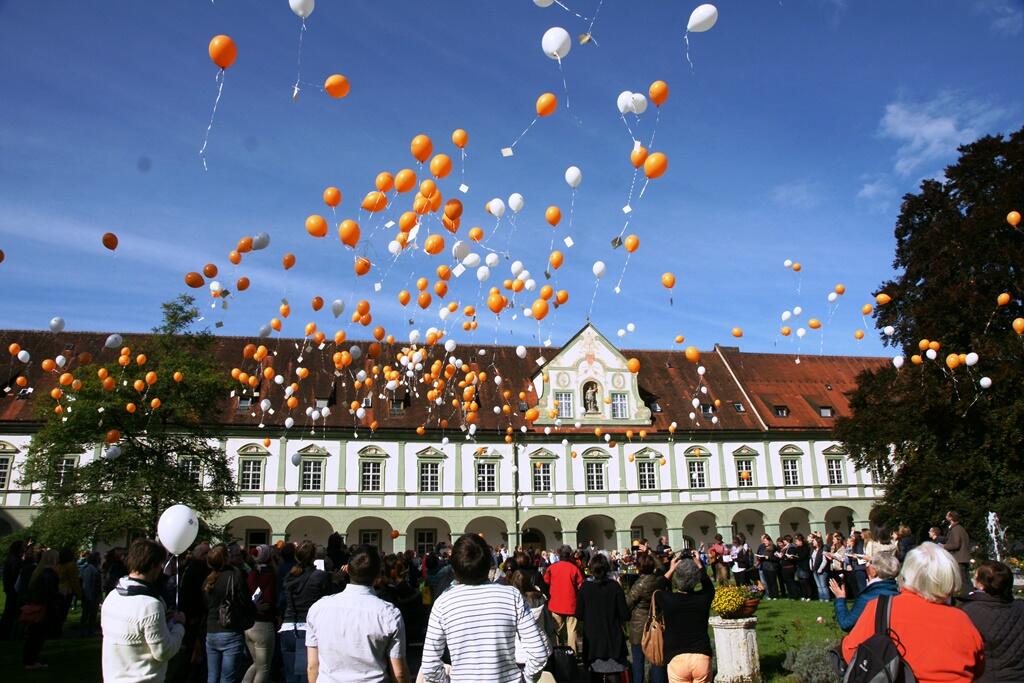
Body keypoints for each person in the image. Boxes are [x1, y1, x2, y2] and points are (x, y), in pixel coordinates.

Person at [841, 543, 983, 682]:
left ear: (907, 572)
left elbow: (850, 653)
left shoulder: (880, 608)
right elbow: (978, 666)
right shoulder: (961, 619)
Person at [421, 533, 550, 683]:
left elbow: (429, 666)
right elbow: (539, 654)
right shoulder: (512, 595)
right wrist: (526, 679)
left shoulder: (443, 602)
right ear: (489, 563)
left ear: (454, 568)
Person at [305, 544, 409, 683]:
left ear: (347, 570)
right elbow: (399, 673)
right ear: (378, 575)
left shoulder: (318, 608)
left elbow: (312, 667)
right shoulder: (389, 614)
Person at [101, 539, 186, 682]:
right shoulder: (150, 605)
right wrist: (179, 626)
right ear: (154, 565)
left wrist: (163, 622)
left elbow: (132, 630)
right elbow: (163, 652)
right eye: (160, 565)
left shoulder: (112, 596)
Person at [960, 560, 1024, 682]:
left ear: (981, 585)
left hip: (988, 677)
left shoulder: (969, 612)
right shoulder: (1020, 607)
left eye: (976, 577)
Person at [280, 541, 333, 683]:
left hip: (288, 627)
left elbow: (281, 602)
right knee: (307, 675)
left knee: (291, 676)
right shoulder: (319, 576)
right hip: (308, 628)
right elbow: (330, 598)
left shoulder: (290, 576)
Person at [659, 551, 715, 683]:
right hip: (701, 655)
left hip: (676, 657)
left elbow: (658, 588)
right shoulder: (703, 598)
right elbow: (709, 587)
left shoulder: (669, 600)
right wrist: (699, 565)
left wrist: (671, 569)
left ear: (676, 579)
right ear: (696, 579)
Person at [576, 554, 630, 680]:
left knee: (595, 675)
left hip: (593, 639)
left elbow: (579, 614)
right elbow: (625, 614)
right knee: (614, 674)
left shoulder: (585, 588)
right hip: (612, 637)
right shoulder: (614, 587)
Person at [829, 552, 899, 632]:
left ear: (874, 571)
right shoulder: (897, 594)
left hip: (872, 641)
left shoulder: (868, 597)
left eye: (869, 563)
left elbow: (846, 624)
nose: (867, 566)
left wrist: (840, 600)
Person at [625, 552, 668, 683]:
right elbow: (662, 568)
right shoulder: (659, 580)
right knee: (656, 659)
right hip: (655, 623)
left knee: (638, 663)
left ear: (639, 568)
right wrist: (652, 555)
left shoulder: (639, 585)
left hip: (639, 627)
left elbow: (627, 605)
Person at [21, 548, 62, 670]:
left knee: (33, 635)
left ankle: (30, 659)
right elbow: (50, 593)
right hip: (44, 608)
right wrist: (59, 596)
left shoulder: (38, 572)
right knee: (37, 636)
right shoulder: (50, 574)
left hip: (37, 605)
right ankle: (31, 661)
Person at [242, 545, 276, 683]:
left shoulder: (251, 574)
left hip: (249, 624)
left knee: (256, 664)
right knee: (264, 668)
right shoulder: (269, 575)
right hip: (263, 624)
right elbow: (269, 599)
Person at [509, 570, 554, 671]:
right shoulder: (540, 597)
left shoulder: (511, 602)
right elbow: (549, 626)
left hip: (519, 653)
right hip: (543, 647)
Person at [543, 544, 584, 652]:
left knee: (556, 631)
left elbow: (546, 581)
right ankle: (573, 654)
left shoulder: (552, 567)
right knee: (572, 631)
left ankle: (558, 652)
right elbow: (580, 585)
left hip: (556, 603)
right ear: (569, 555)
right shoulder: (574, 568)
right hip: (571, 604)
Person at [942, 511, 972, 597]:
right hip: (963, 558)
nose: (946, 516)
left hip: (958, 558)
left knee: (962, 582)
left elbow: (956, 544)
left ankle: (967, 600)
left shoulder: (956, 529)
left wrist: (944, 546)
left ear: (951, 518)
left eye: (947, 515)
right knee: (966, 580)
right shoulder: (960, 528)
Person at [1, 540, 25, 640]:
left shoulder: (11, 558)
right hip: (13, 589)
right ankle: (6, 633)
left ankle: (5, 632)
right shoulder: (15, 560)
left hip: (10, 588)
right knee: (11, 612)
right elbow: (15, 574)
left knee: (9, 611)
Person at [79, 551, 102, 635]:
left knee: (85, 613)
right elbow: (97, 585)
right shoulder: (95, 571)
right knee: (92, 614)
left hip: (85, 593)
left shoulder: (85, 569)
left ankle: (83, 630)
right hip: (93, 594)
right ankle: (90, 630)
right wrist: (100, 597)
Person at [809, 535, 830, 601]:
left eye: (814, 541)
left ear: (818, 542)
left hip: (822, 570)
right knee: (818, 585)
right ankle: (821, 597)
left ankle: (826, 598)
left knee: (823, 585)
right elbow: (811, 559)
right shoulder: (813, 550)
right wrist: (811, 566)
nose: (813, 542)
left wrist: (820, 569)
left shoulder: (823, 549)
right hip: (814, 569)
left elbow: (824, 561)